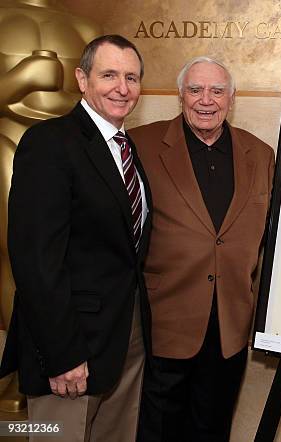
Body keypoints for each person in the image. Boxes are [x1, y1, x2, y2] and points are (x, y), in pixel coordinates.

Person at [0, 34, 151, 442]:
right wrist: (63, 354)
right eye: (109, 75)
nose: (123, 88)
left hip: (123, 343)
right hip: (70, 351)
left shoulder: (126, 148)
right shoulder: (50, 143)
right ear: (82, 80)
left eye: (132, 78)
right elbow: (35, 260)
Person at [129, 56, 275, 442]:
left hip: (229, 327)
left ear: (232, 97)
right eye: (195, 90)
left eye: (216, 90)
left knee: (212, 430)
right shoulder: (140, 145)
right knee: (158, 431)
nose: (205, 100)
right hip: (164, 323)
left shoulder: (260, 155)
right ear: (180, 96)